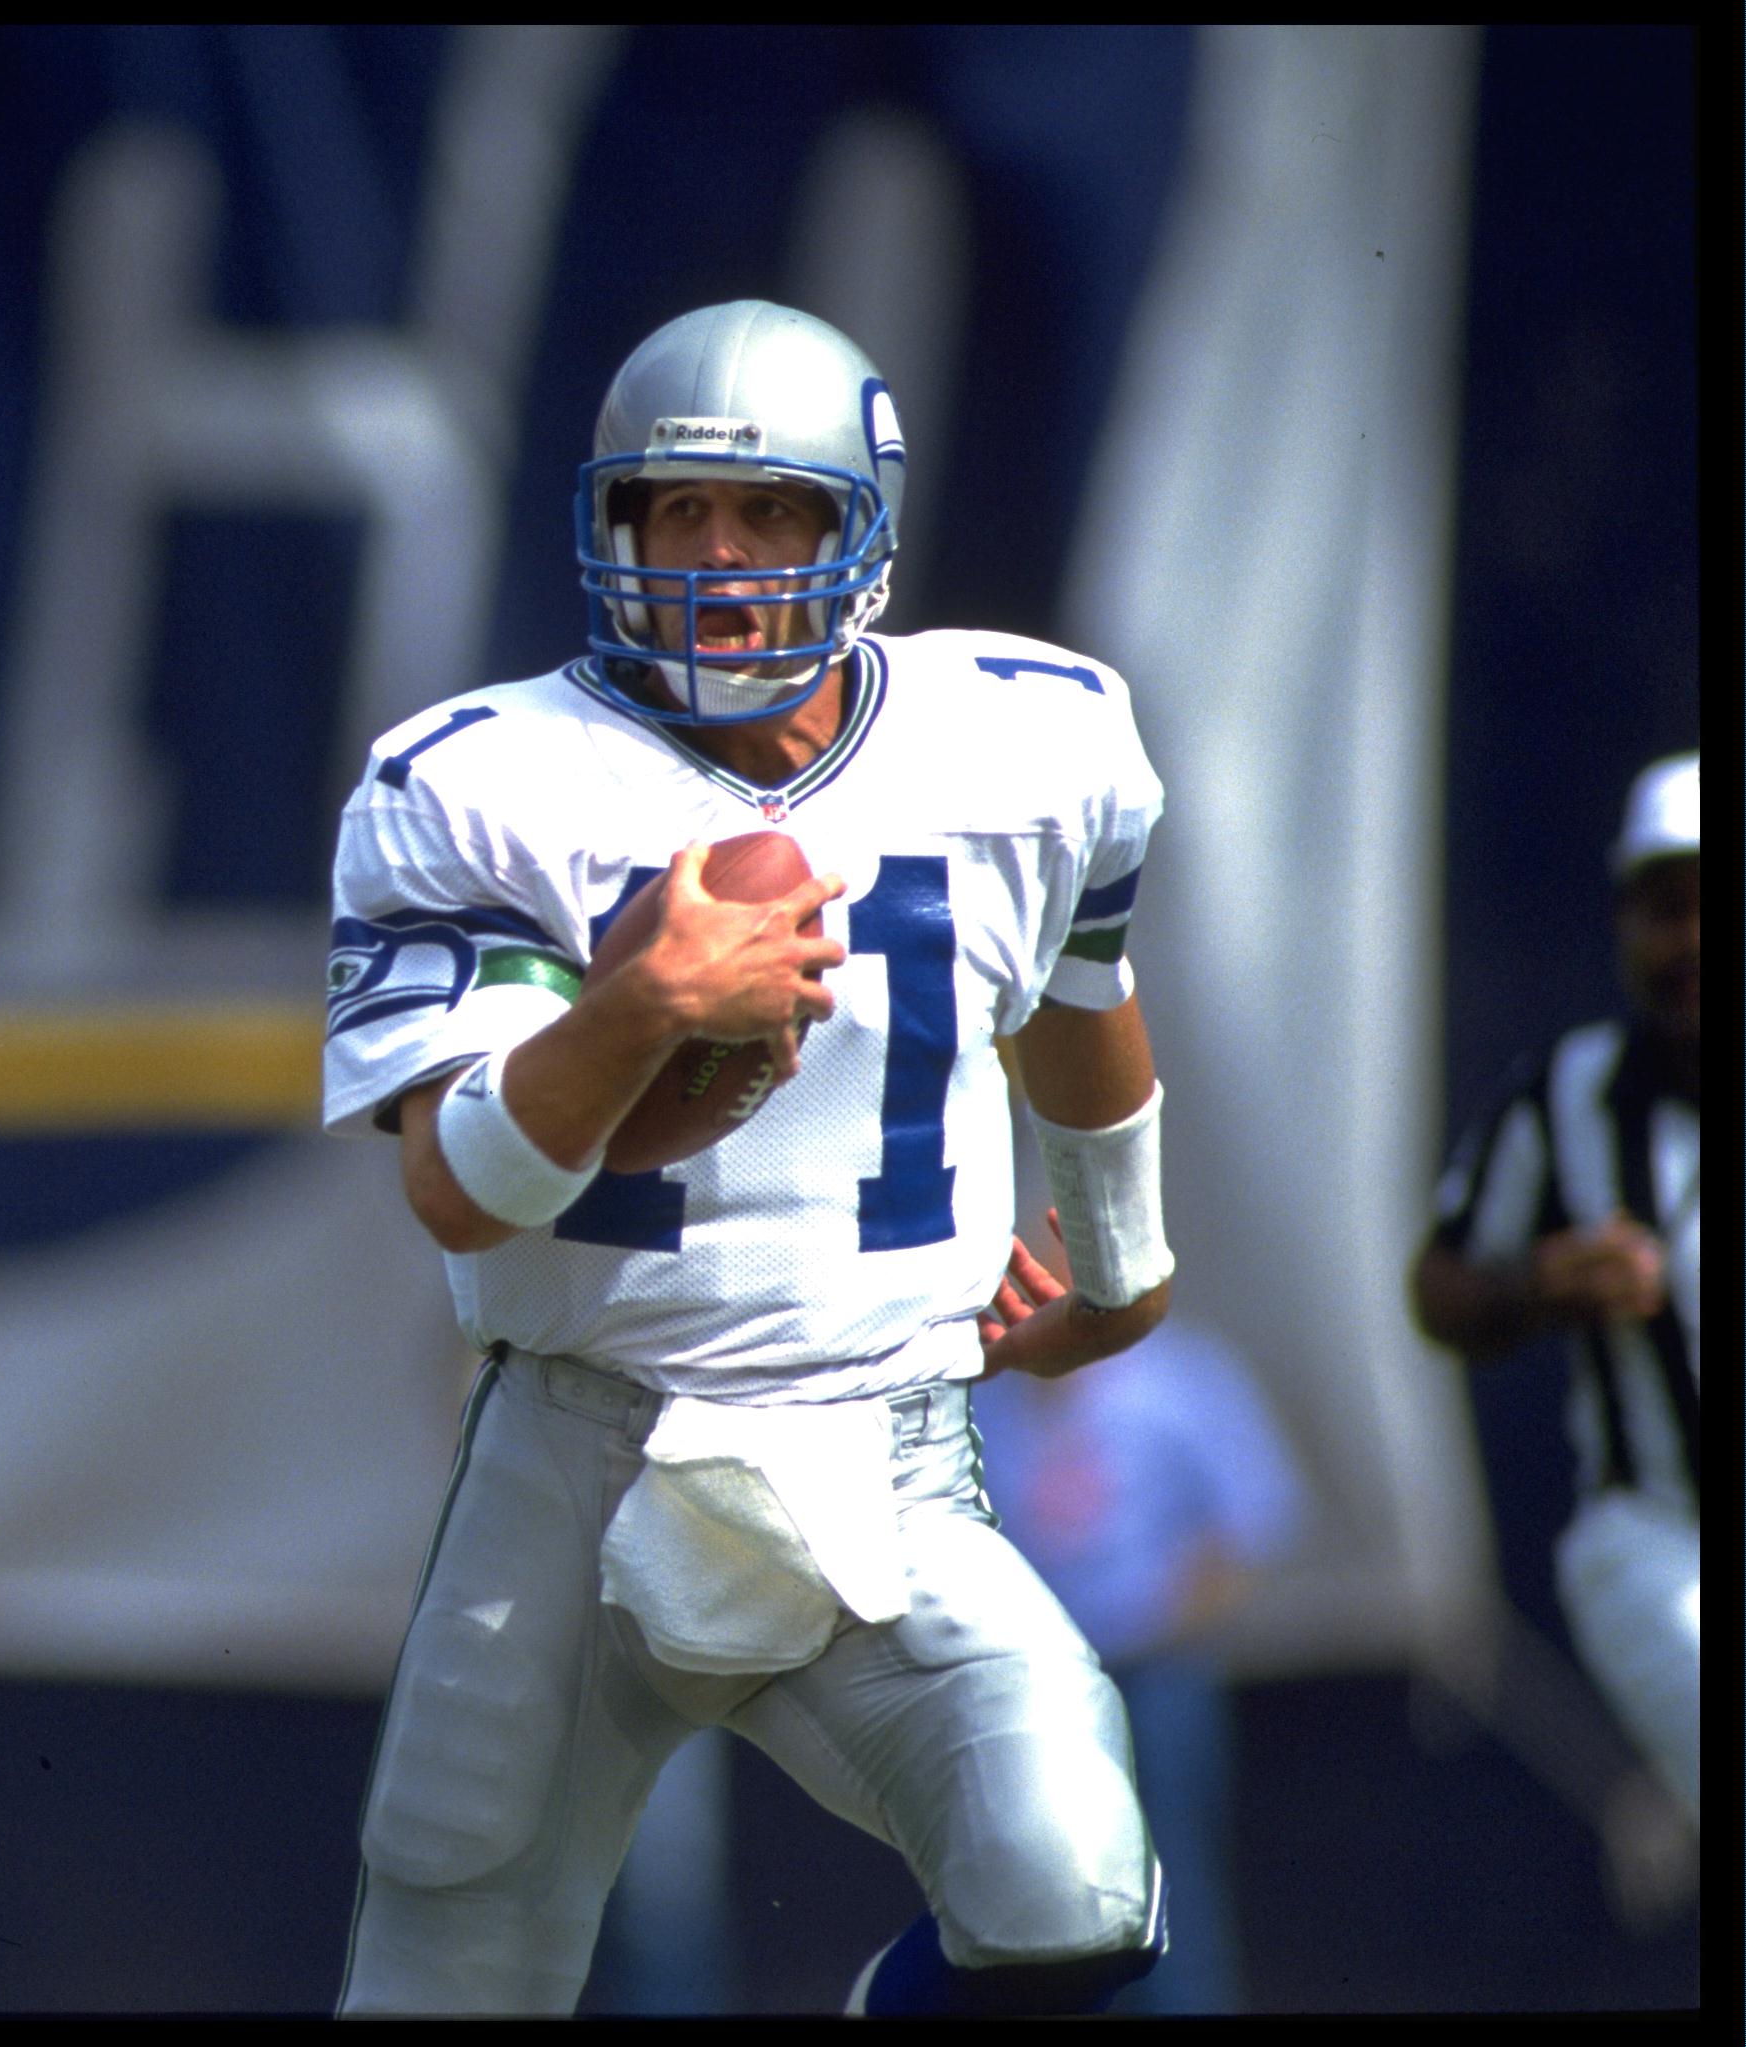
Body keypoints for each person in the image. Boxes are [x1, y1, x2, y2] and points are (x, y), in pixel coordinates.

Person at [323, 299, 1177, 2016]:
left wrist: (1118, 1268)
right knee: (445, 1975)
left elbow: (1079, 1010)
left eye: (767, 511)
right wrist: (633, 1005)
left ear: (852, 526)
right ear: (610, 528)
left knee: (1069, 1895)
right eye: (672, 512)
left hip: (885, 1455)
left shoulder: (1028, 739)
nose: (715, 556)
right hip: (575, 1460)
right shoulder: (480, 780)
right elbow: (458, 1183)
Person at [1409, 750, 1698, 1829]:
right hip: (1658, 1533)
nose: (1691, 946)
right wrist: (1536, 1284)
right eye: (1666, 911)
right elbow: (1438, 1288)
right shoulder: (1565, 1098)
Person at [968, 1301, 1306, 2014]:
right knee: (1040, 1888)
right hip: (1031, 1682)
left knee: (1166, 1877)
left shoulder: (1177, 1374)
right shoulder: (983, 1396)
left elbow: (1253, 1516)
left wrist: (1163, 1617)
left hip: (1153, 1672)